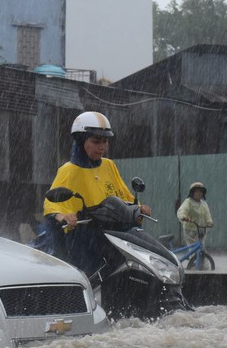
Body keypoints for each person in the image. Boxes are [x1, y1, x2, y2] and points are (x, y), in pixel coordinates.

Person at [42, 111, 151, 273]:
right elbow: (52, 205)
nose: (102, 147)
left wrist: (139, 208)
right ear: (80, 141)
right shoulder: (69, 170)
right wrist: (64, 216)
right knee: (89, 275)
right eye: (96, 141)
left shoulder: (109, 165)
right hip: (84, 238)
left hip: (113, 235)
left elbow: (123, 196)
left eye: (105, 141)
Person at [176, 181, 214, 246]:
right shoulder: (188, 202)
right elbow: (182, 210)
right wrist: (184, 217)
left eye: (201, 192)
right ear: (192, 192)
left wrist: (209, 222)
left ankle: (200, 255)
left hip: (201, 230)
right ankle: (193, 256)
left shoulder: (204, 204)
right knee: (193, 248)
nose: (199, 193)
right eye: (197, 191)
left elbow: (207, 215)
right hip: (190, 230)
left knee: (201, 247)